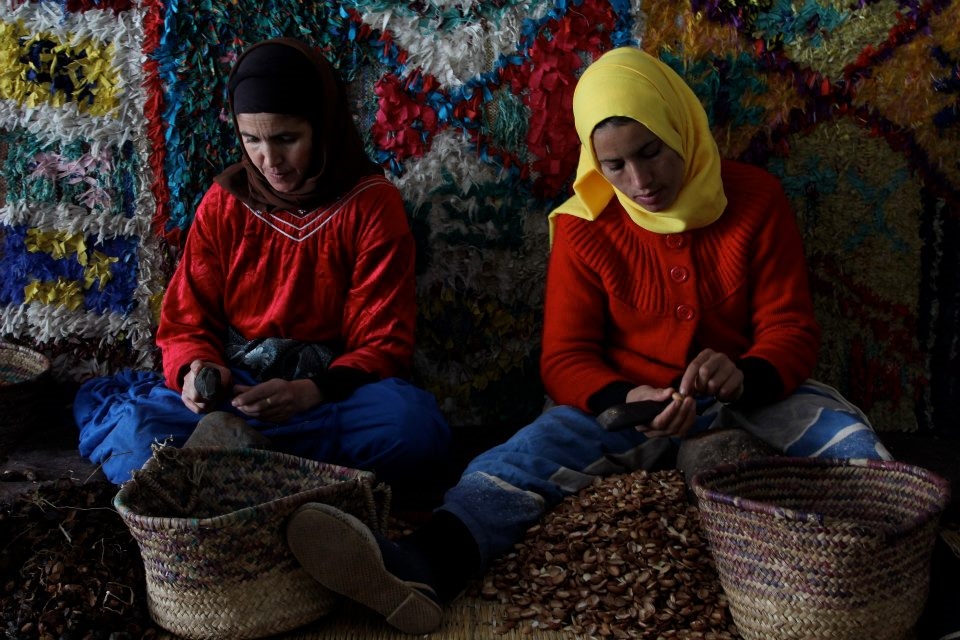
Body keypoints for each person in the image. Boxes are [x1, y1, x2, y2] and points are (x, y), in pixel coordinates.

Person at [282, 47, 894, 634]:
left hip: (753, 392)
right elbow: (566, 358)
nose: (641, 180)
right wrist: (629, 398)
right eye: (615, 165)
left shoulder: (756, 199)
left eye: (652, 152)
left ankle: (908, 572)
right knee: (516, 462)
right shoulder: (585, 227)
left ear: (682, 127)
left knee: (844, 436)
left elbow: (791, 328)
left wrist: (747, 373)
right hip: (624, 405)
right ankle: (420, 569)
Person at [73, 38, 451, 498]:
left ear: (323, 126)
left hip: (330, 398)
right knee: (137, 437)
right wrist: (199, 374)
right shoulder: (225, 203)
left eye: (286, 139)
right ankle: (301, 480)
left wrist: (310, 391)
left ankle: (234, 473)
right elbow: (186, 319)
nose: (268, 161)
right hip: (238, 397)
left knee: (412, 429)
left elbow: (383, 339)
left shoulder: (372, 205)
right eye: (251, 139)